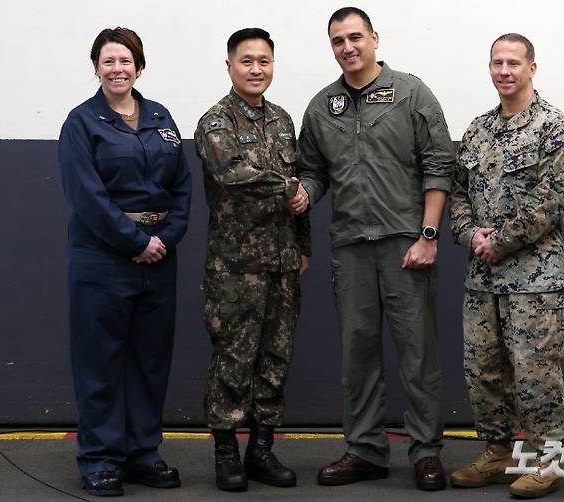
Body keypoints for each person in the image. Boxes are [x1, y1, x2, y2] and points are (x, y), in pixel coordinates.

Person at [290, 7, 454, 491]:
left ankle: (426, 452)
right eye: (338, 40)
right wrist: (305, 191)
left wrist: (428, 235)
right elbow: (314, 170)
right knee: (356, 355)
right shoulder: (322, 106)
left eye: (355, 37)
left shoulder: (410, 93)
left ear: (375, 39)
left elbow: (439, 163)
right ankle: (365, 449)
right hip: (351, 247)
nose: (348, 47)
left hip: (406, 245)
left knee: (418, 354)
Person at [59, 27, 191, 497]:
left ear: (140, 66)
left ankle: (142, 453)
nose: (118, 69)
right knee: (101, 362)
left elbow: (182, 188)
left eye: (126, 60)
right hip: (104, 259)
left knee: (149, 362)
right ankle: (100, 459)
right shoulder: (82, 123)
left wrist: (164, 238)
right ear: (95, 67)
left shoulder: (161, 118)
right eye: (109, 61)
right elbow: (87, 197)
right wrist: (134, 240)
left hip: (159, 258)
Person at [449, 33, 564, 499]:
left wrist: (499, 241)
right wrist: (470, 234)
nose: (504, 71)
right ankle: (497, 453)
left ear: (532, 68)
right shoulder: (479, 130)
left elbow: (551, 202)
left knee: (535, 372)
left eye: (513, 63)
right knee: (482, 371)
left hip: (535, 280)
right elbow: (458, 193)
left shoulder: (555, 129)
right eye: (496, 63)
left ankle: (546, 462)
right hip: (482, 280)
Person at [194, 28, 311, 492]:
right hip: (235, 267)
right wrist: (288, 189)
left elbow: (298, 184)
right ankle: (227, 453)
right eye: (247, 61)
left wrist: (303, 245)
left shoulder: (282, 119)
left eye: (264, 61)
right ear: (229, 66)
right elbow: (230, 172)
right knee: (234, 359)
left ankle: (261, 450)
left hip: (282, 263)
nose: (256, 69)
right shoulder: (216, 121)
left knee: (275, 358)